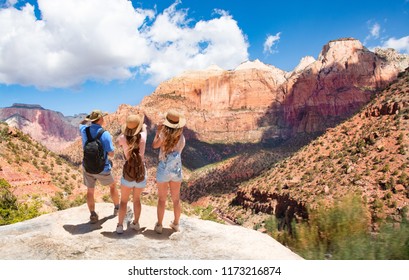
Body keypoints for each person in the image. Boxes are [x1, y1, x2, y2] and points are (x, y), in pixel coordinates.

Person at [80, 109, 120, 223]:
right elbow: (111, 153)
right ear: (101, 119)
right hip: (103, 168)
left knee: (90, 191)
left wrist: (87, 118)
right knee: (112, 186)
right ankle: (117, 208)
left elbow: (81, 123)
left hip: (87, 166)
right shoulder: (105, 134)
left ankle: (92, 214)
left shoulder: (84, 130)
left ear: (92, 120)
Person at [152, 109, 186, 233]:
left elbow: (154, 145)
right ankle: (176, 224)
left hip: (163, 169)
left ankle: (159, 225)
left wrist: (158, 131)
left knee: (162, 199)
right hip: (176, 169)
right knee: (176, 199)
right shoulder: (182, 137)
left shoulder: (163, 135)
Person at [115, 114, 148, 234]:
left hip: (128, 172)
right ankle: (136, 223)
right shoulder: (143, 137)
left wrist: (124, 131)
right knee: (137, 200)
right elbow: (144, 130)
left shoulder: (123, 138)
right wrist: (143, 127)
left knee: (123, 201)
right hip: (140, 172)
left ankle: (119, 226)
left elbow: (117, 141)